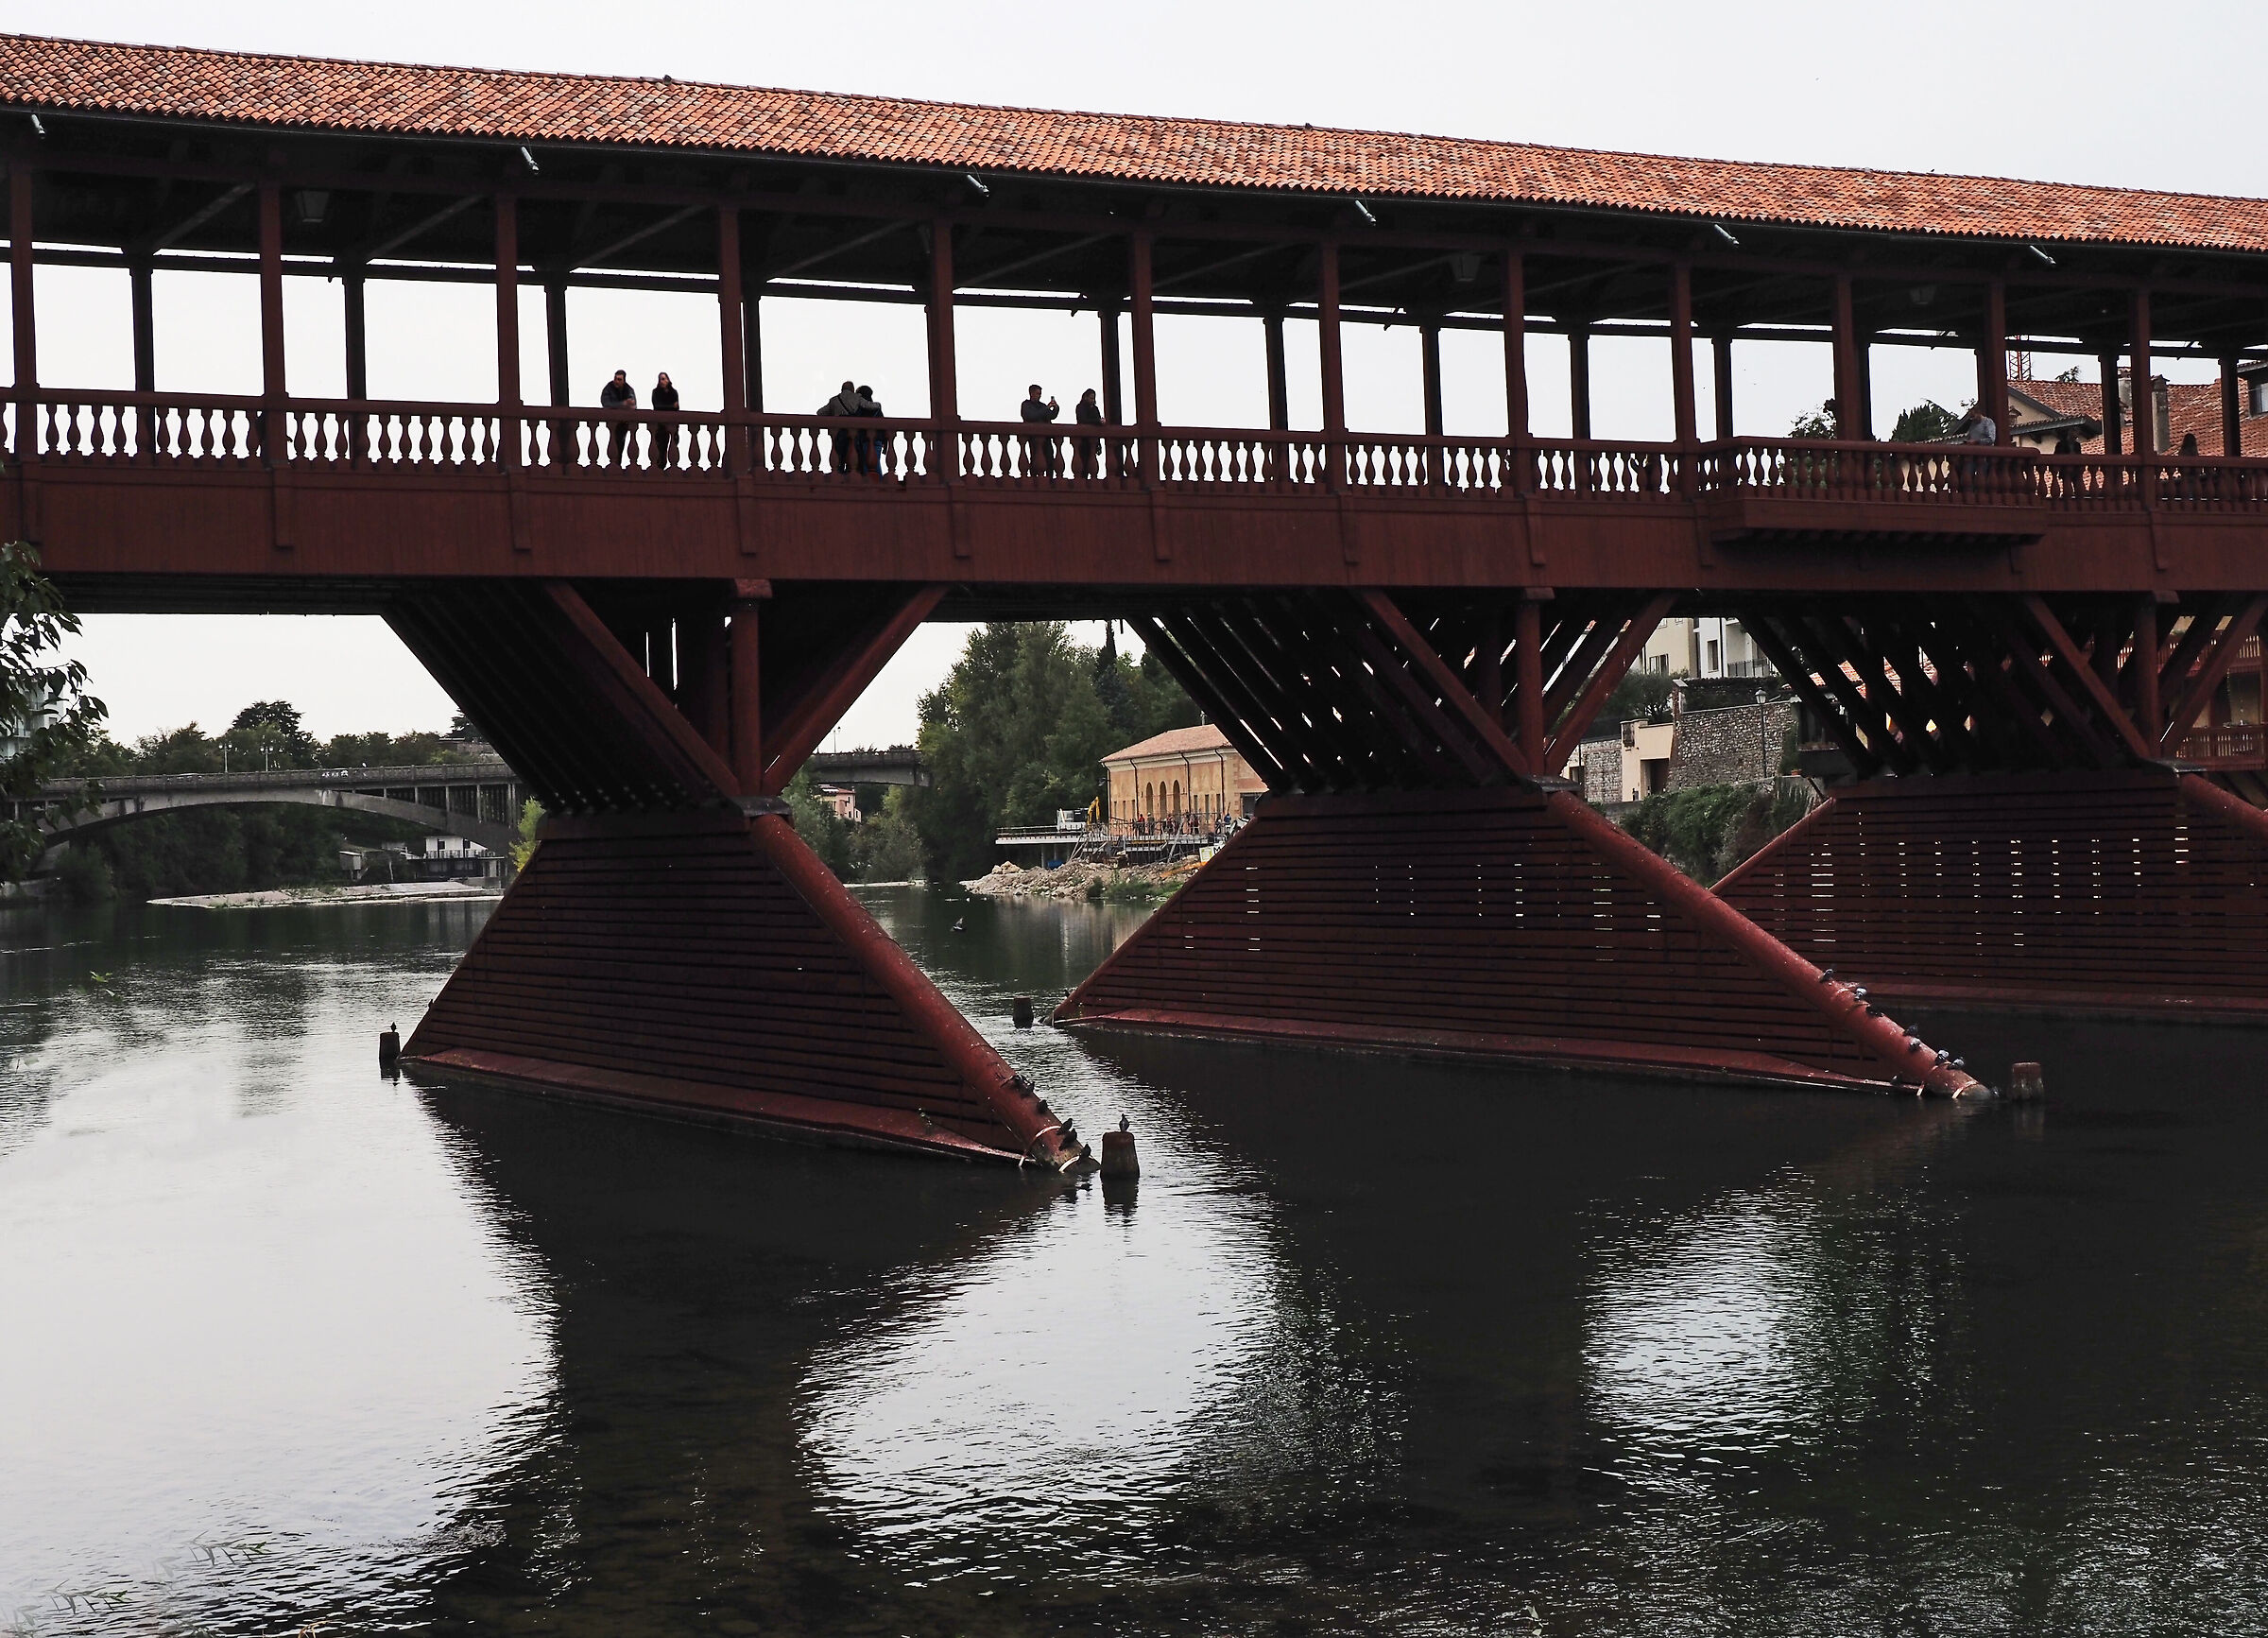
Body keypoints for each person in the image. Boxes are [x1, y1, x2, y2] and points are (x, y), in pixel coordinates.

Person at [817, 379, 861, 473]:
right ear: (852, 389)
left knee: (839, 455)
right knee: (852, 453)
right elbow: (869, 406)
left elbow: (820, 412)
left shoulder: (834, 400)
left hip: (839, 433)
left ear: (842, 389)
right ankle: (851, 472)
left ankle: (838, 472)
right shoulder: (857, 398)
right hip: (853, 433)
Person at [1020, 383, 1060, 477]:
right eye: (1038, 393)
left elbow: (1051, 416)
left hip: (1046, 437)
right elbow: (1031, 416)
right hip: (1034, 437)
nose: (1039, 396)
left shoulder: (1042, 406)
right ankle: (1034, 478)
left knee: (1049, 457)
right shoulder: (1026, 405)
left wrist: (1056, 408)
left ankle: (1050, 479)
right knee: (1035, 458)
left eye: (1040, 394)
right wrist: (1046, 408)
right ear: (1031, 393)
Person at [599, 369, 635, 465]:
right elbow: (606, 403)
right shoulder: (609, 388)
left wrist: (628, 404)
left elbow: (633, 404)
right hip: (613, 421)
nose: (616, 381)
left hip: (624, 422)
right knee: (614, 442)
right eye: (615, 379)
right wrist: (622, 404)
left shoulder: (628, 389)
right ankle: (614, 464)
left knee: (621, 443)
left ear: (624, 380)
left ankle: (617, 463)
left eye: (619, 379)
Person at [650, 371, 680, 468]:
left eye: (663, 379)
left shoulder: (673, 392)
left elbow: (676, 407)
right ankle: (660, 467)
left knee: (673, 445)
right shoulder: (656, 392)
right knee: (661, 447)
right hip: (660, 425)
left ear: (668, 380)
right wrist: (671, 406)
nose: (662, 381)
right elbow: (658, 406)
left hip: (671, 424)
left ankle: (673, 466)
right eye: (660, 379)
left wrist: (671, 407)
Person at [1074, 388, 1106, 478]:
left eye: (1094, 398)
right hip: (1083, 440)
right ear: (1086, 397)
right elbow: (1083, 420)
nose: (1092, 400)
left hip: (1093, 440)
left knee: (1090, 461)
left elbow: (1098, 422)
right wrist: (1098, 421)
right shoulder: (1080, 407)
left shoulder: (1095, 409)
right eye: (1091, 398)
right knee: (1083, 461)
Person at [854, 384, 885, 475]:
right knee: (875, 463)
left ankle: (876, 483)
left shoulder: (861, 409)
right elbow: (883, 424)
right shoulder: (877, 408)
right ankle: (879, 482)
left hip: (866, 440)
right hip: (878, 439)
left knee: (868, 465)